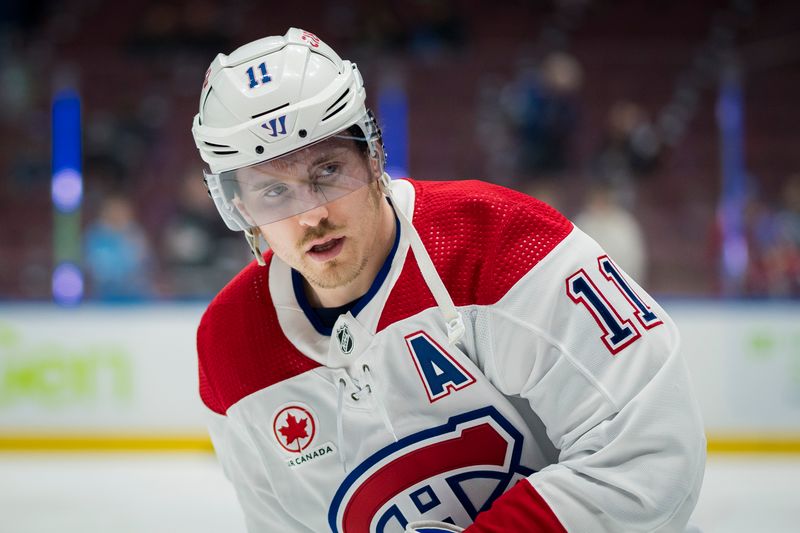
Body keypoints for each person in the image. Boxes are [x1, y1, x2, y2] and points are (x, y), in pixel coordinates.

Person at [191, 28, 705, 533]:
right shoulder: (230, 347)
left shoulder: (503, 243)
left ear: (372, 155)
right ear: (240, 209)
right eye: (274, 194)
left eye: (327, 170)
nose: (311, 216)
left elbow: (650, 451)